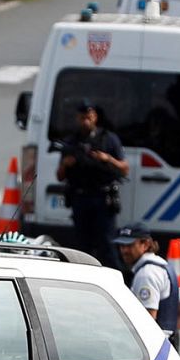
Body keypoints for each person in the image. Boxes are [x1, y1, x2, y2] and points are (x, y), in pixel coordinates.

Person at [57, 99, 128, 270]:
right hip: (80, 198)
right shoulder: (71, 142)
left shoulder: (108, 139)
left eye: (89, 117)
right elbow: (60, 176)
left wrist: (107, 159)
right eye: (82, 118)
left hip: (103, 199)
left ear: (95, 117)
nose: (86, 121)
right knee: (82, 246)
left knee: (107, 245)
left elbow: (125, 169)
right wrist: (66, 163)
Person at [113, 222, 180, 349]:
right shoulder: (163, 266)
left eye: (129, 245)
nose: (124, 250)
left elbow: (147, 321)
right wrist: (168, 336)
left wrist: (157, 343)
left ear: (145, 244)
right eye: (121, 245)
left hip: (153, 348)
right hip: (167, 345)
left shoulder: (146, 274)